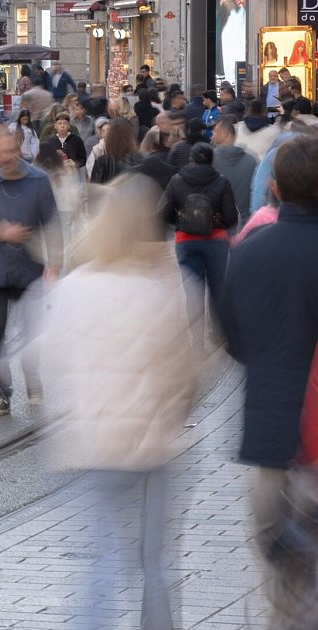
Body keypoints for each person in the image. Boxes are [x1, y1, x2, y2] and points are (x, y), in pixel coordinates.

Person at [39, 172, 197, 630]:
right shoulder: (164, 287)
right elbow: (186, 372)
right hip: (151, 445)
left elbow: (50, 358)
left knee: (99, 561)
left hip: (93, 443)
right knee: (154, 560)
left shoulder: (74, 286)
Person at [220, 135, 318, 630]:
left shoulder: (253, 249)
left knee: (283, 566)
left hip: (272, 429)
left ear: (274, 188)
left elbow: (233, 339)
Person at [0, 129, 62, 416]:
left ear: (18, 148)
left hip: (31, 267)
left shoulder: (39, 180)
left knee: (32, 330)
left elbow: (54, 223)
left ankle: (32, 378)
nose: (5, 157)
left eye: (9, 150)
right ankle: (1, 393)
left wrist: (54, 263)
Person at [159, 142, 239, 346]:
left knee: (193, 291)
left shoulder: (177, 180)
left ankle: (197, 340)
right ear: (212, 160)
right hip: (216, 241)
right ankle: (219, 334)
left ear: (191, 159)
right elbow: (231, 217)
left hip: (186, 241)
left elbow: (164, 213)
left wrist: (181, 222)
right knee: (216, 289)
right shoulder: (222, 181)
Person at [211, 115, 259, 224]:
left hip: (219, 222)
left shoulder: (210, 160)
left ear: (225, 134)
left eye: (215, 132)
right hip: (247, 221)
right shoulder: (252, 160)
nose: (212, 136)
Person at [90, 117, 142, 184]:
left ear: (110, 136)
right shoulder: (140, 159)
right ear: (130, 135)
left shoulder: (102, 161)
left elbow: (94, 190)